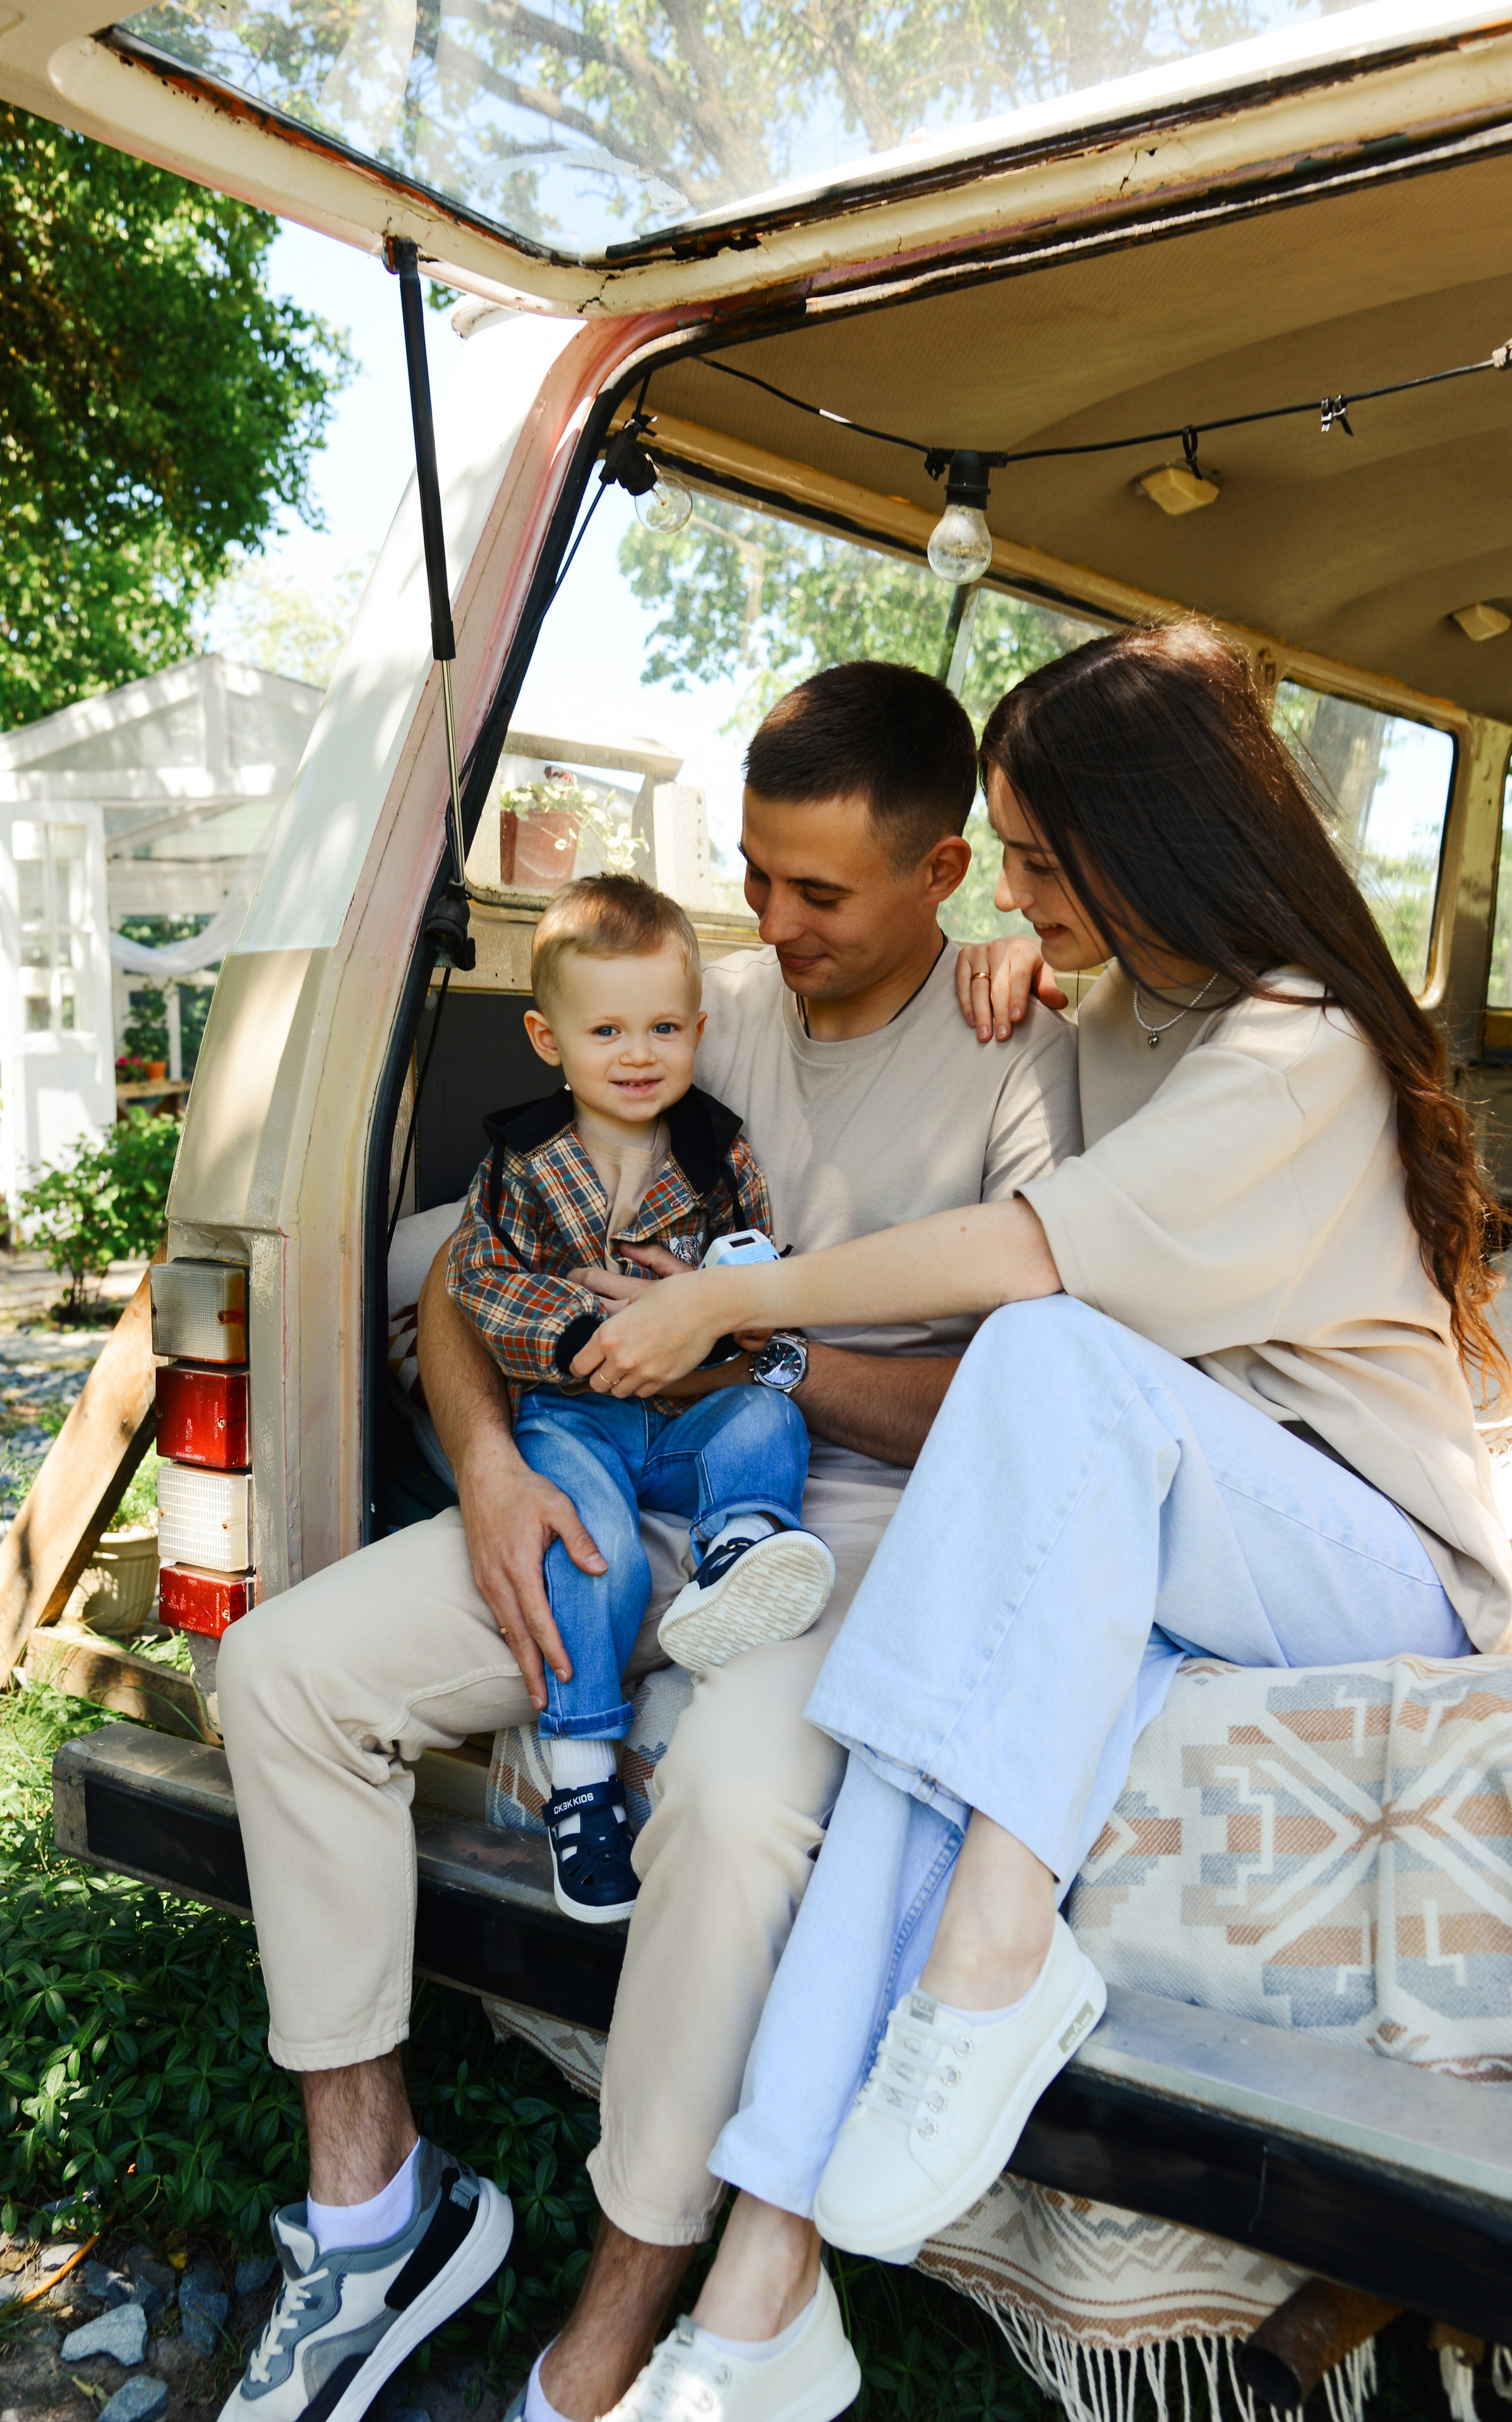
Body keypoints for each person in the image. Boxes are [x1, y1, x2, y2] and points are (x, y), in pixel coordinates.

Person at [565, 621, 1512, 2422]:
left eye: (1036, 861)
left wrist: (737, 1302)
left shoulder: (1297, 1042)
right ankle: (763, 2289)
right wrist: (1030, 965)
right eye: (1001, 858)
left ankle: (995, 1949)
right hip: (1170, 1522)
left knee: (1046, 1351)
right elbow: (1058, 1131)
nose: (1007, 893)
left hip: (1366, 1551)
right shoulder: (1128, 1005)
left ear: (1152, 843)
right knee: (918, 1732)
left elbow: (1032, 1255)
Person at [212, 658, 1083, 2422]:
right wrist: (485, 1465)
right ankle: (373, 2206)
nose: (774, 919)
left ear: (943, 874)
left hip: (859, 1526)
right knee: (283, 1671)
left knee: (737, 1805)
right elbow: (456, 1269)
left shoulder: (1023, 1056)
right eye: (751, 871)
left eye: (817, 889)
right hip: (605, 1473)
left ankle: (615, 2323)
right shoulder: (690, 1011)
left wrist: (750, 1347)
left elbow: (1036, 1414)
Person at [446, 872, 837, 1924]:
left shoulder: (718, 1150)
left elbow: (756, 1269)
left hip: (685, 1412)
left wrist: (732, 1296)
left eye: (664, 1028)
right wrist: (579, 1332)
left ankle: (740, 1546)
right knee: (592, 1548)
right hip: (571, 1415)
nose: (638, 1054)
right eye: (607, 1030)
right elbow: (480, 1279)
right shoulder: (524, 1161)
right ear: (548, 1039)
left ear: (698, 1031)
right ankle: (582, 1779)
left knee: (766, 1416)